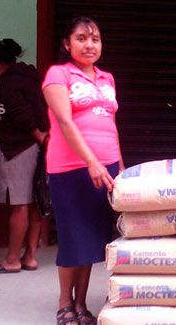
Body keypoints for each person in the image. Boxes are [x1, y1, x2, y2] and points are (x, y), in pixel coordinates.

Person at [42, 16, 124, 325]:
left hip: (107, 169)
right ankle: (64, 304)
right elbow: (64, 122)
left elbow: (111, 124)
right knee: (73, 237)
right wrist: (91, 161)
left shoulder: (108, 79)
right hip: (71, 168)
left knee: (91, 239)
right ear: (67, 44)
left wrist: (120, 165)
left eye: (95, 39)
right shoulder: (57, 75)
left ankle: (81, 304)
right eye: (81, 38)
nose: (89, 44)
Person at [0, 39, 49, 275]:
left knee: (19, 205)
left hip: (20, 147)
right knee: (35, 202)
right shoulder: (31, 78)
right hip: (37, 146)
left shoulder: (8, 83)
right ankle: (29, 256)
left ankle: (11, 259)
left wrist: (38, 135)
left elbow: (20, 112)